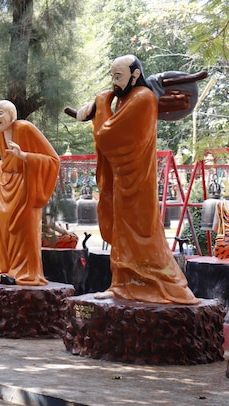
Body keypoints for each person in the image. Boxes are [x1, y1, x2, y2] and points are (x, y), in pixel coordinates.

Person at [75, 55, 197, 304]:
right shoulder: (124, 100)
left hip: (138, 181)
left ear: (135, 75)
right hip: (121, 180)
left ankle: (160, 282)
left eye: (118, 76)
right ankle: (122, 284)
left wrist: (101, 101)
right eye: (112, 77)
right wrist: (105, 103)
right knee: (122, 232)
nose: (114, 82)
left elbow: (109, 136)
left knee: (141, 232)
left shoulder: (143, 98)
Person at [0, 100, 60, 285]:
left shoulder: (24, 128)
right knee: (0, 230)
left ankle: (22, 273)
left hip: (26, 187)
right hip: (6, 188)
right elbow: (6, 166)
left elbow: (53, 160)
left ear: (12, 115)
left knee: (23, 230)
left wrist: (24, 156)